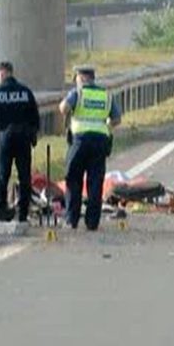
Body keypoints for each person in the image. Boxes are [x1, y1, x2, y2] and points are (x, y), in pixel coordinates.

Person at [58, 65, 121, 231]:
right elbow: (116, 119)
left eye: (76, 79)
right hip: (100, 141)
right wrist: (104, 125)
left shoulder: (78, 93)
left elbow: (63, 108)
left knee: (73, 179)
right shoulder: (106, 95)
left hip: (80, 141)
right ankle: (92, 222)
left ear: (82, 78)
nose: (76, 82)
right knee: (95, 182)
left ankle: (72, 220)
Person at [0, 61, 40, 222]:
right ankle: (22, 213)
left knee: (2, 175)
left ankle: (0, 210)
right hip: (23, 138)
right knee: (24, 176)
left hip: (5, 139)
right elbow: (35, 117)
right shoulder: (26, 92)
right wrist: (31, 135)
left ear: (1, 74)